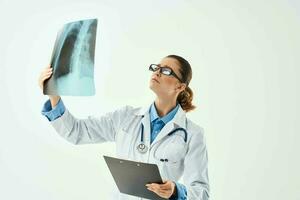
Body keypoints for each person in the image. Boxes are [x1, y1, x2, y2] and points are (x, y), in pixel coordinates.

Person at [39, 55, 210, 200]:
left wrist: (175, 191)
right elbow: (77, 132)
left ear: (180, 87)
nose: (157, 72)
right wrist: (54, 96)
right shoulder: (125, 117)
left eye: (166, 71)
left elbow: (201, 191)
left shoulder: (193, 134)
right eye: (157, 67)